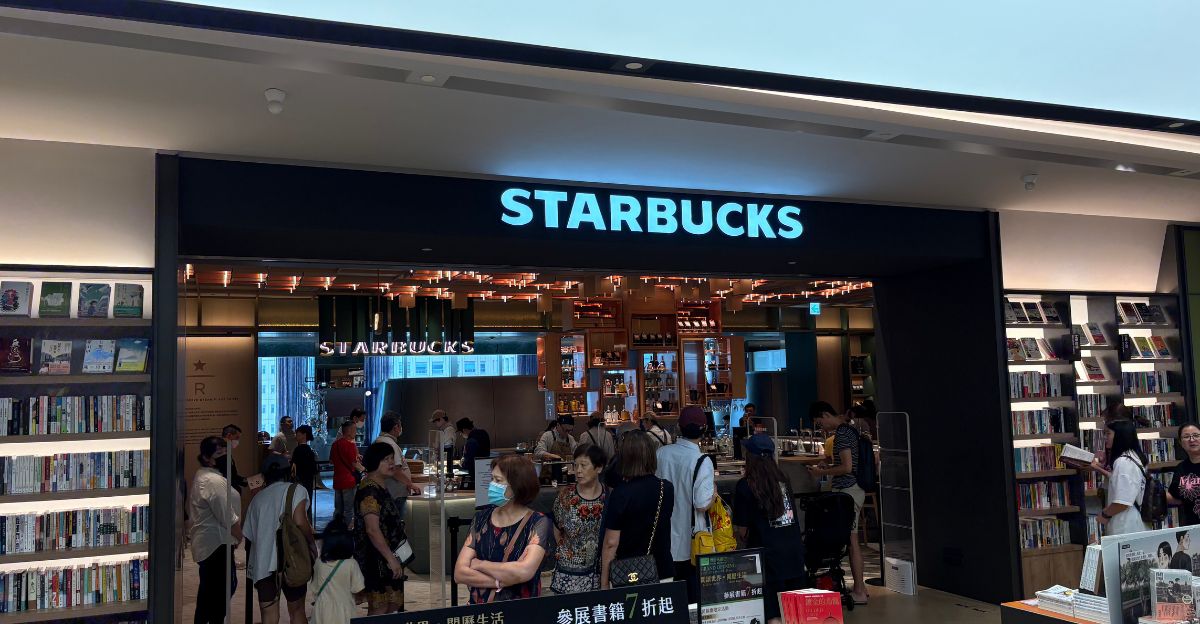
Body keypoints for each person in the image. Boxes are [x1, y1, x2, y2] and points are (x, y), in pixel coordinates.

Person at [454, 454, 554, 603]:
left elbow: (524, 571)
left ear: (517, 486)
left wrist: (480, 564)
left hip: (520, 610)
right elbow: (460, 573)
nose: (491, 485)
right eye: (492, 479)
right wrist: (500, 581)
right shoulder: (481, 518)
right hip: (481, 610)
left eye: (498, 480)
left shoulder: (537, 522)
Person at [734, 434, 805, 624]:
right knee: (793, 613)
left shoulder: (745, 486)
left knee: (772, 613)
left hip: (766, 559)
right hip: (794, 554)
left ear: (750, 457)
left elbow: (742, 530)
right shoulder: (784, 480)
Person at [243, 454, 316, 624]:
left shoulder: (257, 499)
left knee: (269, 616)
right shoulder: (296, 490)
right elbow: (300, 521)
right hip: (292, 561)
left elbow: (249, 535)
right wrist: (312, 545)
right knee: (297, 612)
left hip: (263, 565)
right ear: (289, 471)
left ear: (264, 476)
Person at [809, 401, 868, 605]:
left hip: (848, 491)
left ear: (826, 415)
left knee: (852, 541)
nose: (822, 428)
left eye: (820, 423)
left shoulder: (842, 434)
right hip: (854, 489)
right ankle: (861, 587)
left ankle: (859, 591)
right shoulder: (849, 429)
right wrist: (829, 465)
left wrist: (821, 472)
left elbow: (847, 467)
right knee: (852, 540)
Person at [601, 430, 675, 588]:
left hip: (628, 573)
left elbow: (611, 543)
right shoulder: (666, 488)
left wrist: (604, 582)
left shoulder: (621, 493)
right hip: (662, 569)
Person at [654, 405, 713, 602]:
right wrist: (714, 493)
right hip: (692, 542)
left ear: (679, 427)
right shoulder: (702, 460)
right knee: (692, 600)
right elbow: (702, 504)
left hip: (664, 538)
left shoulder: (662, 453)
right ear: (704, 430)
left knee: (668, 599)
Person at [188, 436, 243, 624]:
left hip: (210, 544)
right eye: (219, 453)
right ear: (206, 457)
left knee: (208, 596)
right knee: (217, 597)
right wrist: (239, 536)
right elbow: (228, 516)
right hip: (216, 545)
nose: (224, 456)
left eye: (225, 452)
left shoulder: (207, 476)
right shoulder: (213, 481)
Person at [354, 442, 408, 615]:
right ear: (374, 462)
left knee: (392, 604)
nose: (391, 463)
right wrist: (390, 558)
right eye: (386, 459)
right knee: (380, 607)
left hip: (386, 556)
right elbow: (372, 529)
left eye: (392, 458)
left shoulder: (380, 486)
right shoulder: (370, 490)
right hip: (376, 558)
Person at [551, 444, 610, 593]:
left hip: (599, 573)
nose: (578, 470)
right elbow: (557, 530)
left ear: (599, 468)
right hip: (568, 574)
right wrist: (569, 554)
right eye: (575, 465)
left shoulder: (609, 496)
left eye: (583, 465)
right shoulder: (565, 496)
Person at [1093, 419, 1150, 536]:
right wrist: (1099, 468)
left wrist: (1104, 514)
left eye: (1108, 433)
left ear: (1120, 436)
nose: (1105, 438)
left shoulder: (1123, 462)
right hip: (1134, 522)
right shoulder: (1134, 457)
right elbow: (1121, 481)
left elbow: (1122, 502)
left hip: (1126, 525)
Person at [308, 517, 365, 624]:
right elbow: (358, 589)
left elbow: (315, 589)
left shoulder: (319, 563)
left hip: (322, 610)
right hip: (344, 611)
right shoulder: (351, 564)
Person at [374, 411, 422, 523]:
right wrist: (410, 484)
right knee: (396, 525)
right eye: (400, 425)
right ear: (396, 427)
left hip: (387, 492)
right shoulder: (391, 445)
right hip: (395, 494)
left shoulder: (379, 441)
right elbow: (395, 470)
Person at [331, 420, 363, 529]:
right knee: (349, 510)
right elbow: (354, 463)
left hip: (337, 480)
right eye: (354, 429)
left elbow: (331, 461)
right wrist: (364, 470)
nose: (356, 432)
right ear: (349, 431)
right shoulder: (350, 445)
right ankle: (348, 532)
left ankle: (336, 529)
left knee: (338, 509)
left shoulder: (335, 444)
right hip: (349, 481)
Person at [1169, 424, 1200, 527]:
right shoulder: (1181, 468)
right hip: (1192, 527)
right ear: (1180, 442)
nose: (1192, 439)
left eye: (1196, 435)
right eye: (1186, 437)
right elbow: (1174, 494)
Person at [457, 417, 492, 486]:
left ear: (464, 430)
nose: (460, 434)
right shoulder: (484, 432)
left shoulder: (471, 441)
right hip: (486, 471)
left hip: (476, 474)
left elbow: (469, 463)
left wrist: (462, 464)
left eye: (460, 432)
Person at [291, 424, 319, 500]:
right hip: (309, 478)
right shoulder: (310, 450)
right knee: (308, 496)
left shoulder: (298, 449)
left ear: (304, 435)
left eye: (298, 435)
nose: (296, 437)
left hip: (299, 478)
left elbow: (294, 465)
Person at [221, 424, 249, 491]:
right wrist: (250, 482)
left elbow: (232, 475)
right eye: (237, 438)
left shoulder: (226, 452)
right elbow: (227, 477)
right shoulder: (221, 454)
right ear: (229, 436)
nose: (237, 441)